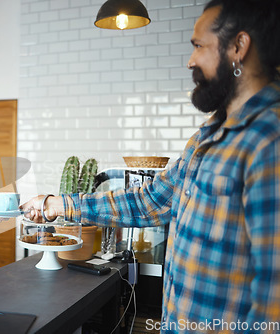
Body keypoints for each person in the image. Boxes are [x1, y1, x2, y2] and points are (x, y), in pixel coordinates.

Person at [22, 0, 280, 332]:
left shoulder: (268, 140)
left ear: (238, 47)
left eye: (199, 46)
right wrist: (57, 205)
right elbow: (151, 201)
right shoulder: (207, 136)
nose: (191, 60)